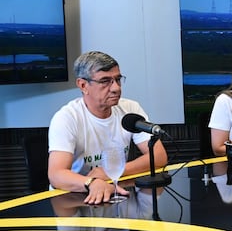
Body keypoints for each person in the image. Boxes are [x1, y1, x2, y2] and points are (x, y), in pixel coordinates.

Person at [48, 51, 168, 204]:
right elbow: (56, 174)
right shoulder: (66, 118)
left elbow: (159, 157)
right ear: (83, 85)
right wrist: (91, 182)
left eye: (118, 79)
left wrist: (109, 173)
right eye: (105, 81)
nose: (116, 88)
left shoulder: (130, 108)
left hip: (116, 192)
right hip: (75, 198)